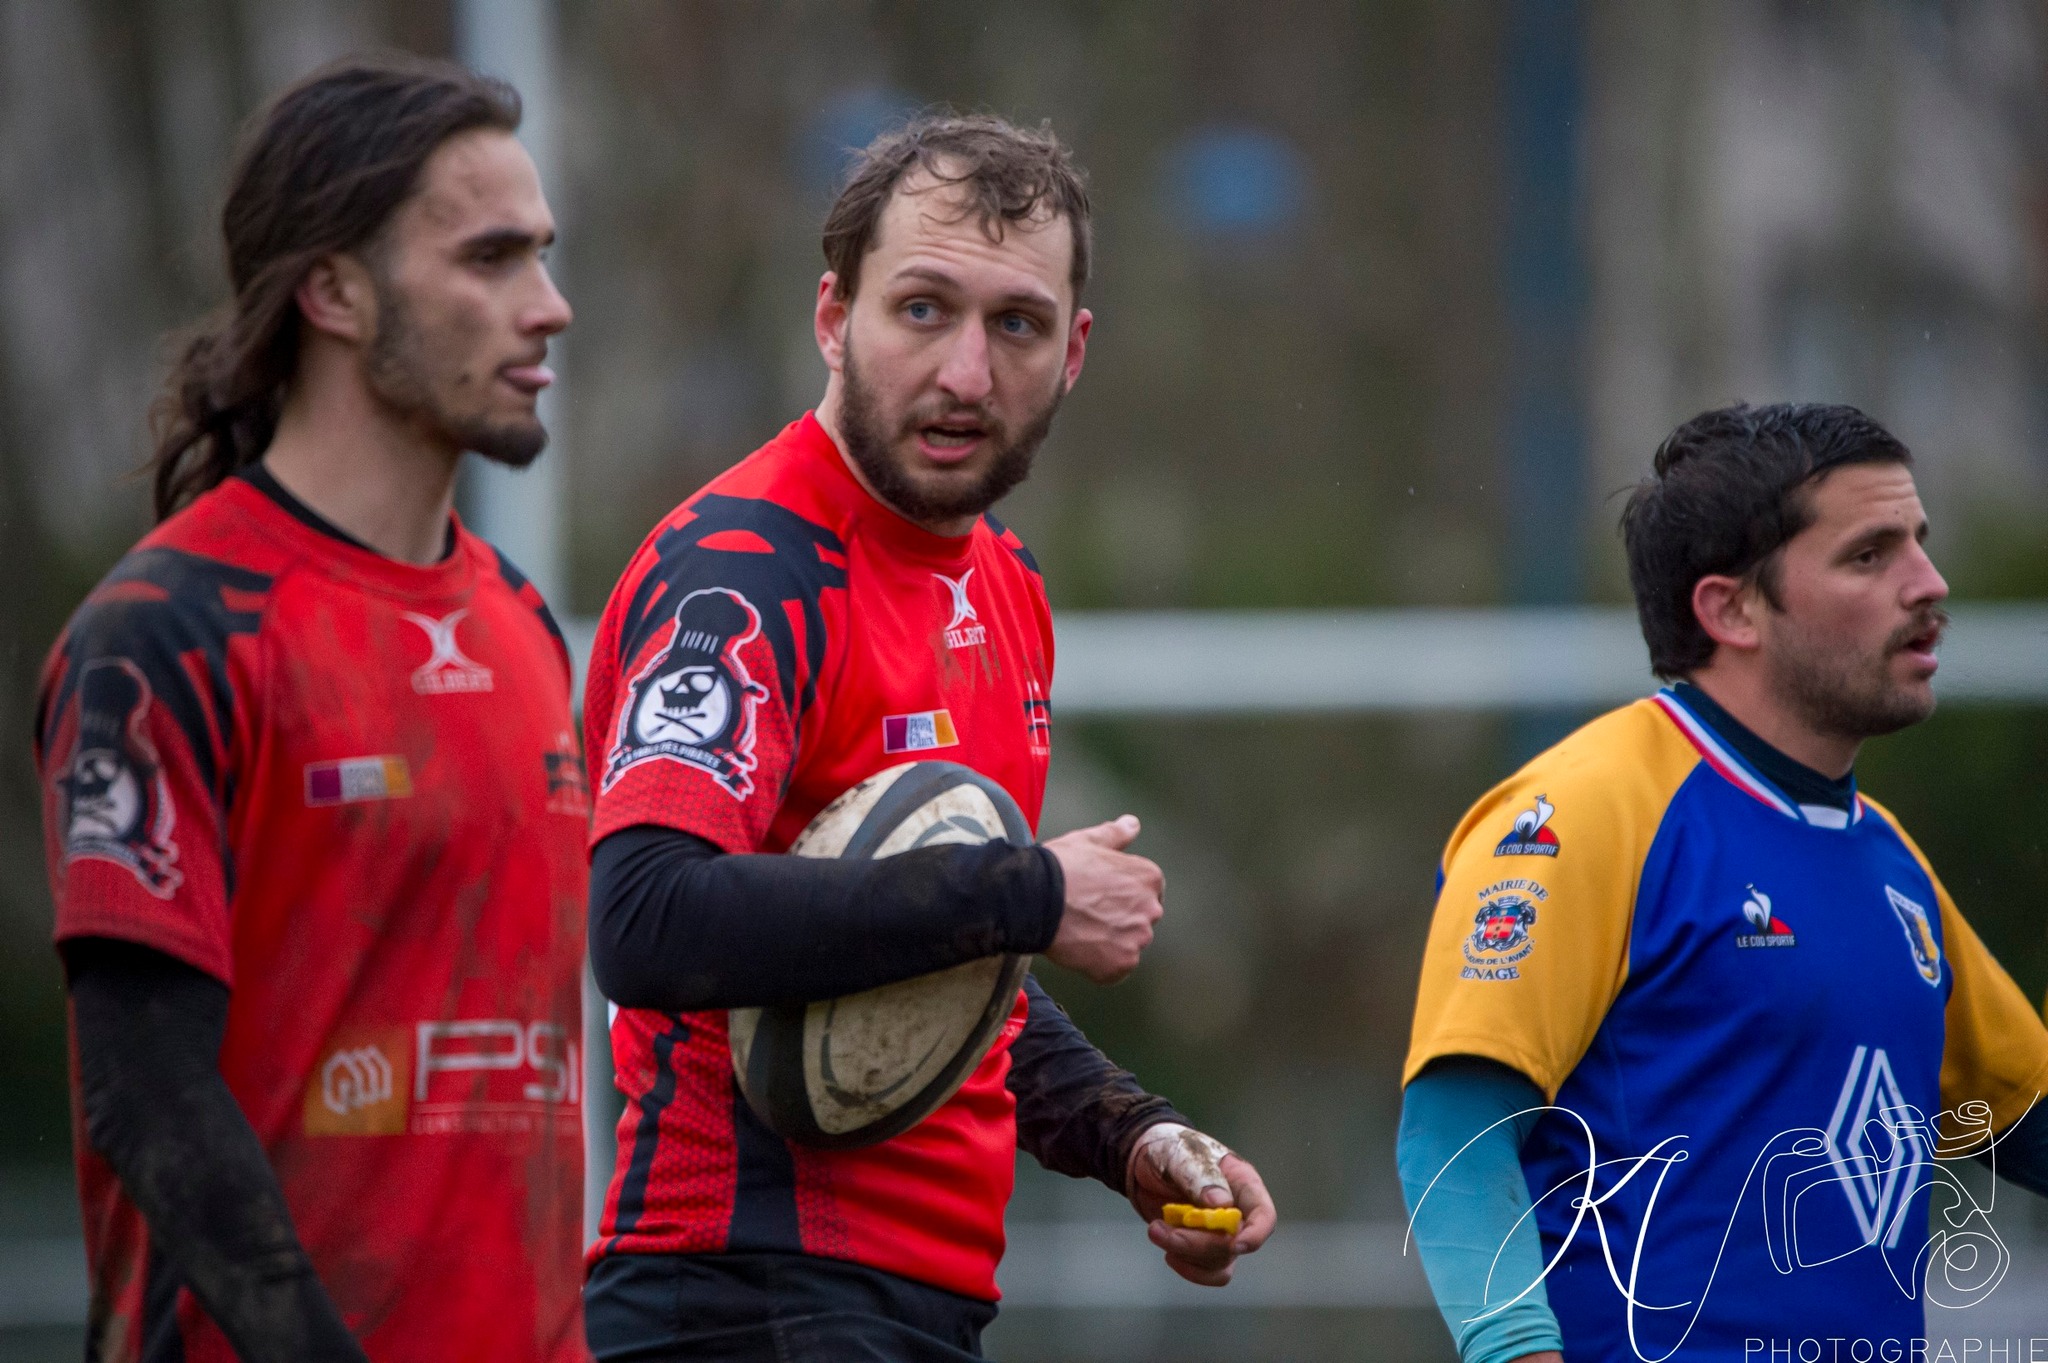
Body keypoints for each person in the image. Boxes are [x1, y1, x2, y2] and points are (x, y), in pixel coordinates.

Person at [580, 113, 1276, 1360]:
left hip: (915, 1302)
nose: (966, 373)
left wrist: (1126, 1131)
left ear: (1072, 352)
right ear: (832, 317)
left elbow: (938, 965)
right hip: (741, 1295)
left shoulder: (1003, 583)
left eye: (1014, 324)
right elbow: (644, 917)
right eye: (921, 310)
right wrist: (1030, 890)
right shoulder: (744, 574)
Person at [34, 56, 587, 1361]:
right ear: (333, 292)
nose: (550, 307)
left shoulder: (522, 623)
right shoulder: (164, 632)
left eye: (542, 255)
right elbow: (146, 1094)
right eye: (491, 257)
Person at [1397, 403, 2048, 1363]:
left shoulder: (1890, 860)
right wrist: (1515, 1349)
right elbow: (1452, 1138)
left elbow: (2024, 1114)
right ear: (1730, 609)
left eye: (1919, 541)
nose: (1929, 582)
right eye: (1870, 555)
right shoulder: (1583, 812)